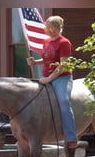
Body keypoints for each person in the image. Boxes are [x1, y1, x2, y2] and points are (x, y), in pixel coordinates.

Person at [27, 15, 78, 149]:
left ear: (59, 28)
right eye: (47, 28)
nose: (48, 30)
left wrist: (49, 79)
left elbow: (62, 66)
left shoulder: (64, 43)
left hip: (62, 78)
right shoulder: (46, 42)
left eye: (51, 28)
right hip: (45, 77)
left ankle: (71, 136)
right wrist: (35, 62)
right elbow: (47, 60)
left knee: (63, 101)